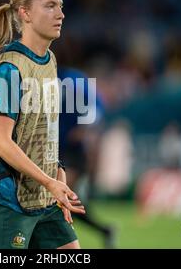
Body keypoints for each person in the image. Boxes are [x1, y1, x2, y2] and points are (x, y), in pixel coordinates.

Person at [0, 0, 85, 249]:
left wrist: (58, 175)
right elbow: (0, 141)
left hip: (44, 200)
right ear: (25, 13)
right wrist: (50, 182)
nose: (61, 14)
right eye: (50, 6)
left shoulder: (49, 61)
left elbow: (45, 131)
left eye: (61, 6)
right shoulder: (9, 71)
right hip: (6, 202)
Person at [58, 66, 116, 248]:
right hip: (54, 151)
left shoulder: (74, 80)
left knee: (61, 199)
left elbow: (97, 109)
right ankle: (104, 230)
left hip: (73, 152)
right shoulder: (39, 76)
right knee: (65, 202)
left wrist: (84, 129)